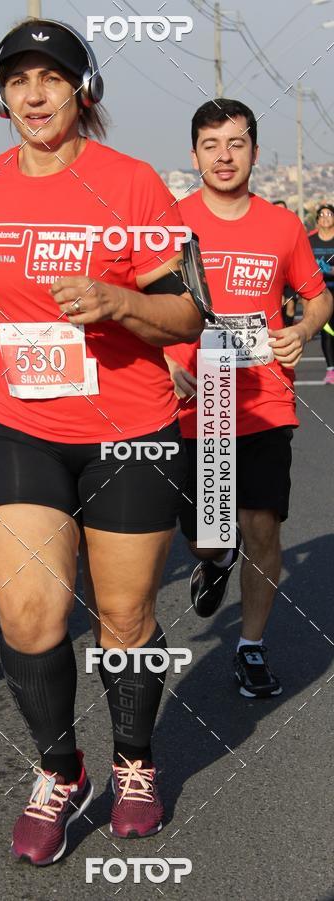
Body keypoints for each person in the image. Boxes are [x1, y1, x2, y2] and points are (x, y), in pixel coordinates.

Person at [0, 19, 205, 865]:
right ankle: (60, 767)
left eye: (52, 78)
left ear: (84, 89)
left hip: (129, 428)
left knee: (123, 613)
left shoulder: (135, 184)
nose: (35, 94)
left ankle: (136, 762)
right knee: (31, 615)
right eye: (19, 80)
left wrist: (118, 303)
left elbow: (188, 312)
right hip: (22, 425)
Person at [165, 99, 332, 698]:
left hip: (264, 402)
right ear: (194, 155)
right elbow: (134, 308)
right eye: (211, 145)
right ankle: (213, 561)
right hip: (194, 408)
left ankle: (251, 646)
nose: (225, 156)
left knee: (263, 526)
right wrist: (165, 357)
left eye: (236, 144)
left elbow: (317, 296)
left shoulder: (282, 226)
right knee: (207, 536)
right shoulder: (169, 222)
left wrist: (302, 330)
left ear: (255, 152)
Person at [308, 203, 334, 383]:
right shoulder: (310, 240)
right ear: (317, 220)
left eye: (329, 214)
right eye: (322, 215)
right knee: (327, 330)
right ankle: (331, 369)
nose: (325, 217)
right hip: (320, 291)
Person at [272, 201, 298, 327]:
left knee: (291, 306)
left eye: (283, 209)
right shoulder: (266, 231)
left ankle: (288, 329)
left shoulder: (292, 229)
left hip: (289, 277)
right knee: (278, 306)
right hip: (273, 277)